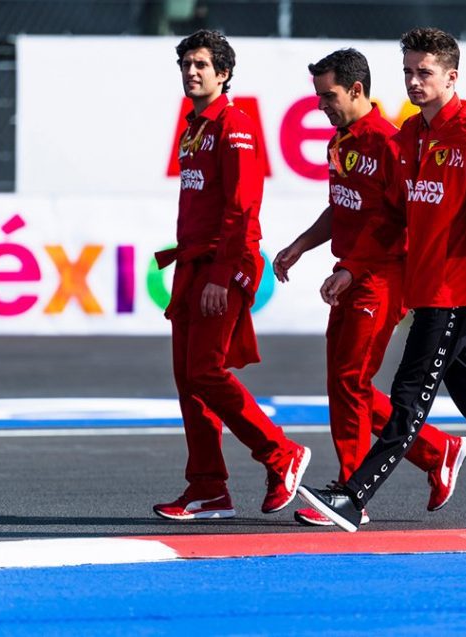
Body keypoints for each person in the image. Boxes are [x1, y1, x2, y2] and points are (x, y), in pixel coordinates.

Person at [297, 27, 466, 532]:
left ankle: (353, 495)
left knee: (408, 397)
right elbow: (388, 217)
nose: (413, 81)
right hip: (424, 288)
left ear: (451, 76)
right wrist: (351, 267)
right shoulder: (409, 135)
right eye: (407, 71)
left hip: (455, 293)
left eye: (424, 72)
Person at [273, 48, 466, 527]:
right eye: (318, 95)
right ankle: (436, 449)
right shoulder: (339, 142)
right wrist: (301, 245)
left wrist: (354, 269)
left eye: (329, 95)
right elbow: (341, 208)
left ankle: (350, 493)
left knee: (351, 380)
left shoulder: (387, 143)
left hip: (382, 276)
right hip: (352, 271)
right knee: (343, 382)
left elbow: (407, 222)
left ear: (357, 90)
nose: (322, 105)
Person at [152, 30, 310, 521]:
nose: (191, 72)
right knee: (187, 378)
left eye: (201, 64)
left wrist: (222, 274)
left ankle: (280, 453)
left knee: (206, 371)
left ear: (223, 73)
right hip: (193, 266)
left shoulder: (234, 125)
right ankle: (207, 489)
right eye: (186, 64)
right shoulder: (194, 126)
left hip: (224, 265)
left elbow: (243, 208)